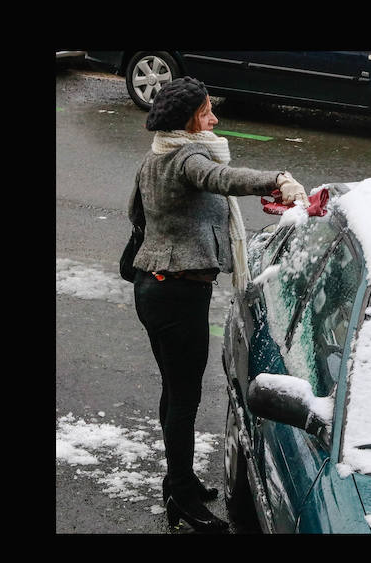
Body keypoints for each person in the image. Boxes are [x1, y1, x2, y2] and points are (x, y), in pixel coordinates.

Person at [129, 76, 308, 533]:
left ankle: (179, 481)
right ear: (190, 120)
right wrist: (277, 180)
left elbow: (139, 215)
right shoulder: (189, 156)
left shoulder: (157, 154)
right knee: (184, 398)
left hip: (156, 286)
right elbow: (222, 179)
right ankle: (183, 499)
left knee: (174, 391)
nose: (215, 118)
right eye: (208, 111)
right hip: (176, 293)